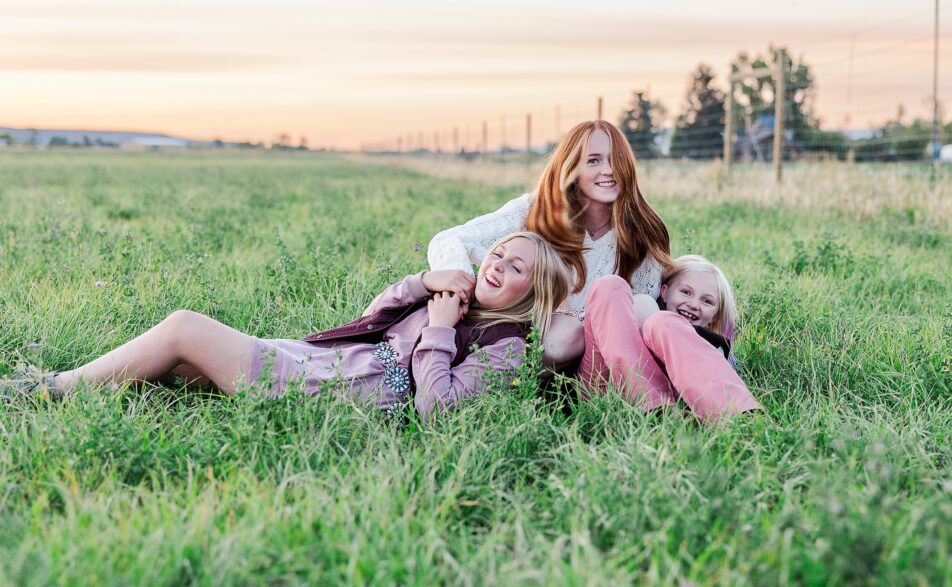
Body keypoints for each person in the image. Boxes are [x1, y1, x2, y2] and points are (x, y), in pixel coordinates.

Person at [2, 232, 571, 421]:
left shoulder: (506, 346)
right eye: (497, 253)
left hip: (335, 393)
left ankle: (50, 389)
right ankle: (93, 395)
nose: (496, 265)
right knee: (178, 366)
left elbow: (438, 408)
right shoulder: (458, 300)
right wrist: (424, 283)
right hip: (320, 361)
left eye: (514, 266)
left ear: (533, 292)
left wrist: (440, 331)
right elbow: (374, 319)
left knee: (183, 329)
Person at [428, 120, 675, 372]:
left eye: (616, 160)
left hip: (602, 355)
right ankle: (523, 382)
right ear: (572, 167)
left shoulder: (641, 231)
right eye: (593, 161)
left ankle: (622, 388)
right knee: (564, 336)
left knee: (644, 304)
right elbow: (449, 240)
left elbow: (643, 311)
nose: (609, 170)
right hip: (535, 343)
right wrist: (464, 290)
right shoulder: (536, 209)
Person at [578, 255, 760, 422]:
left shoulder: (709, 343)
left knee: (662, 322)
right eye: (686, 292)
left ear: (715, 316)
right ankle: (651, 402)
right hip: (600, 387)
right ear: (664, 292)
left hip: (663, 399)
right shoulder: (644, 315)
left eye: (707, 301)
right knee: (609, 285)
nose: (693, 304)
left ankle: (738, 415)